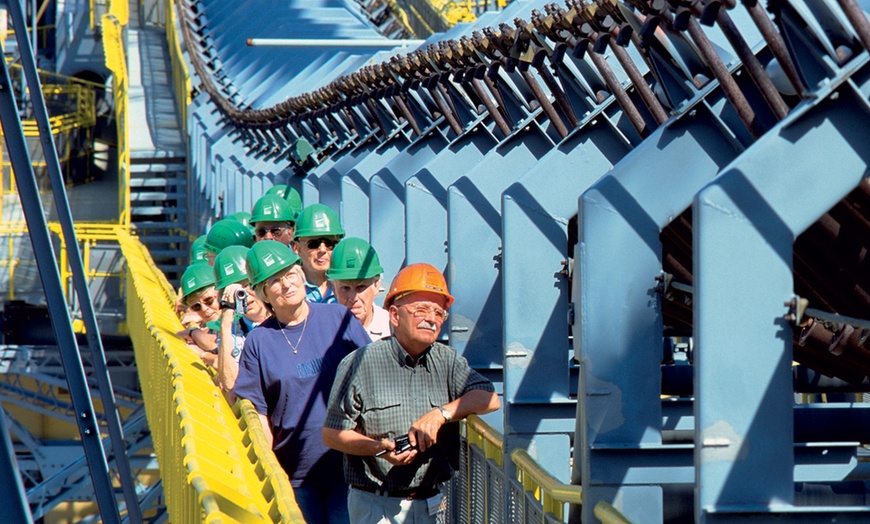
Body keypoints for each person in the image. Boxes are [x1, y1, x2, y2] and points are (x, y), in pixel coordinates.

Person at [322, 263, 500, 524]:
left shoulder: (447, 361)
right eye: (421, 310)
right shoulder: (360, 364)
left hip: (432, 503)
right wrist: (378, 449)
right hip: (376, 505)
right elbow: (331, 435)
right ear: (394, 315)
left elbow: (490, 398)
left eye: (439, 313)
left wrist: (441, 415)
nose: (431, 318)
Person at [233, 240, 371, 523]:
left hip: (348, 469)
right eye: (274, 281)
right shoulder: (258, 341)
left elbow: (373, 376)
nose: (286, 284)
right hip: (294, 477)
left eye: (290, 274)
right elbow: (258, 414)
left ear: (301, 275)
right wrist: (270, 473)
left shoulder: (338, 319)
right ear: (263, 294)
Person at [211, 246, 270, 399]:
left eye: (248, 286)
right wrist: (226, 319)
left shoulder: (283, 316)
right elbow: (230, 382)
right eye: (238, 293)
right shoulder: (233, 330)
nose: (245, 296)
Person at [327, 237, 390, 340]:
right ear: (334, 289)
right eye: (345, 288)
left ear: (376, 285)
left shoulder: (392, 328)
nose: (353, 298)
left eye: (360, 287)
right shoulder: (324, 330)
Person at [293, 203, 345, 303]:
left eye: (329, 243)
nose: (322, 250)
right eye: (313, 244)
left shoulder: (349, 287)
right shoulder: (288, 287)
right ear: (297, 248)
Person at [175, 264, 220, 367]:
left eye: (209, 300)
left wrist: (193, 333)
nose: (204, 309)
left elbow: (215, 343)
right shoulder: (213, 321)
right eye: (196, 307)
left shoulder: (239, 315)